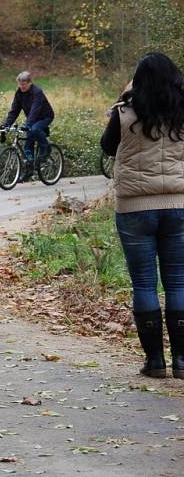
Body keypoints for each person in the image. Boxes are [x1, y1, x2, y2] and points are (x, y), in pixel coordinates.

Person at [100, 52, 184, 380]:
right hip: (179, 207)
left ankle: (155, 362)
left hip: (134, 208)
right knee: (178, 281)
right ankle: (181, 361)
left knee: (145, 283)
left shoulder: (124, 113)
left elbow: (107, 147)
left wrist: (123, 99)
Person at [0, 71, 54, 180]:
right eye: (19, 84)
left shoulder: (37, 92)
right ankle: (29, 169)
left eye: (24, 84)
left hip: (45, 116)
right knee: (28, 143)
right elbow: (14, 111)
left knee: (34, 129)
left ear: (30, 83)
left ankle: (46, 148)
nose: (21, 86)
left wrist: (28, 123)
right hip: (32, 118)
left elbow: (35, 109)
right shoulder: (19, 93)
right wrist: (6, 124)